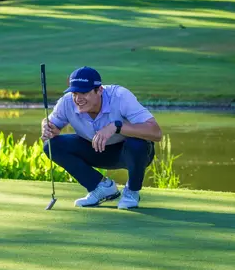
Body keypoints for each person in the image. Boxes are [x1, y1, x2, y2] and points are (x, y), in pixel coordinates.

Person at [41, 66, 163, 209]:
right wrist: (47, 128)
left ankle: (132, 191)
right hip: (95, 150)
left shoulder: (120, 96)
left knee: (137, 143)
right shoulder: (67, 101)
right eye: (74, 93)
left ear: (99, 90)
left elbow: (156, 133)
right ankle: (101, 188)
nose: (78, 98)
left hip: (128, 153)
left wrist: (116, 127)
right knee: (51, 145)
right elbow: (50, 124)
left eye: (84, 92)